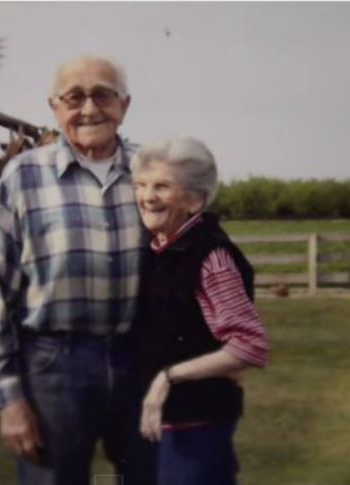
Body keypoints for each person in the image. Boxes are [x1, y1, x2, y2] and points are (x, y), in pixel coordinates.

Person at [0, 55, 156, 485]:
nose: (89, 109)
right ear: (54, 108)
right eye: (74, 97)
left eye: (103, 95)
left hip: (142, 360)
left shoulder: (153, 172)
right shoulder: (22, 177)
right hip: (54, 368)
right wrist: (9, 401)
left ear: (124, 104)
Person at [131, 136, 270, 485]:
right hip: (165, 426)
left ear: (195, 200)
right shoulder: (160, 248)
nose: (147, 196)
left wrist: (167, 378)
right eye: (142, 185)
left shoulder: (211, 257)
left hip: (196, 429)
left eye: (162, 186)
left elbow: (249, 345)